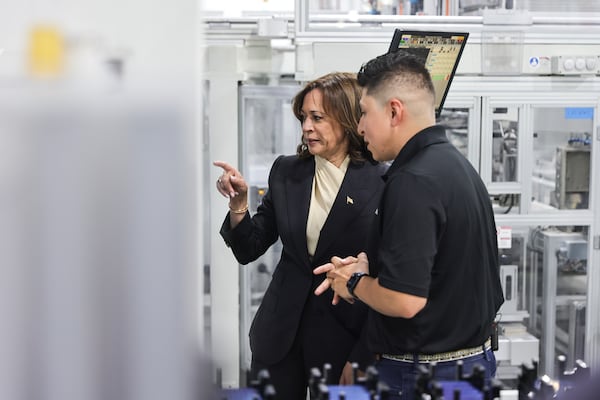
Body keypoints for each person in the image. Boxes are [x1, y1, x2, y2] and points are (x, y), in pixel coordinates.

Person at [314, 51, 505, 399]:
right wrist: (375, 268)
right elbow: (442, 269)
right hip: (470, 367)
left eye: (364, 112)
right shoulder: (455, 167)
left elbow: (405, 302)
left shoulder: (411, 181)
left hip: (422, 375)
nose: (359, 127)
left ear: (394, 111)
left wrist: (353, 281)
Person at [214, 72, 387, 400]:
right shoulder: (287, 170)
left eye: (317, 118)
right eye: (303, 117)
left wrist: (366, 353)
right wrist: (239, 207)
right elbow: (249, 247)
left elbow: (387, 274)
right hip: (279, 336)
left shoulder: (382, 180)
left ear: (348, 118)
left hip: (345, 339)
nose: (307, 126)